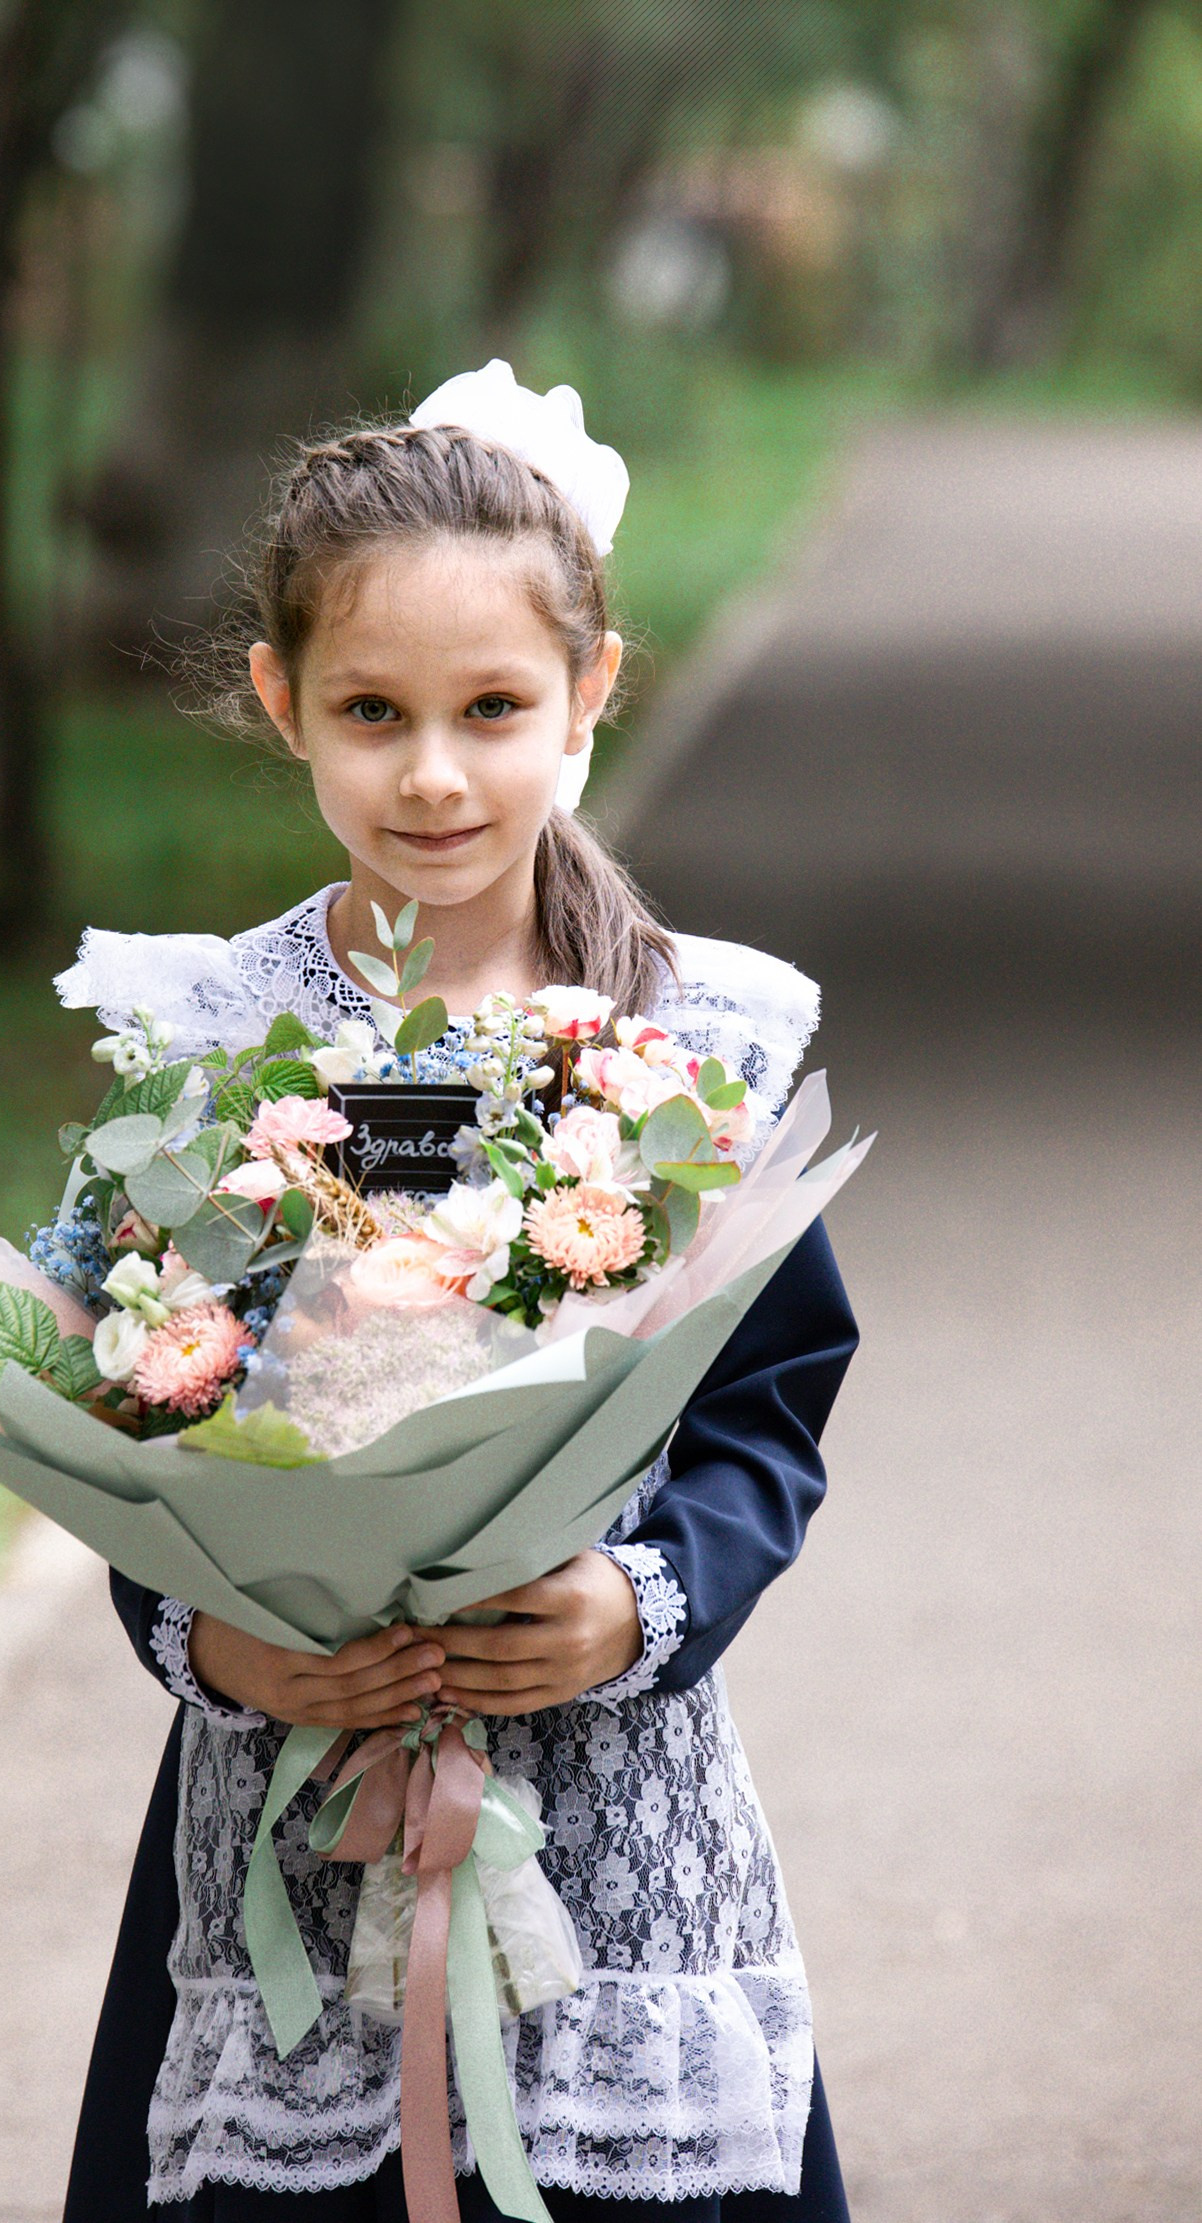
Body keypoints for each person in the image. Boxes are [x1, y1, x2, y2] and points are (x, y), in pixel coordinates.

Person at [54, 361, 860, 2222]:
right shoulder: (210, 1041)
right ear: (282, 703)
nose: (433, 772)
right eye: (372, 712)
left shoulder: (689, 1035)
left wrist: (637, 1603)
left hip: (609, 1790)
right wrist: (211, 1643)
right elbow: (120, 1398)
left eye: (493, 707)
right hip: (290, 1794)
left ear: (590, 690)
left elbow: (765, 1408)